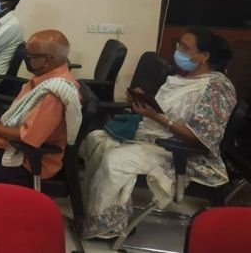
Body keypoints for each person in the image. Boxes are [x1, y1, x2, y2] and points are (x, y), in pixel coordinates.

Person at [80, 27, 236, 240]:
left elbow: (201, 139)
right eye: (179, 44)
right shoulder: (182, 78)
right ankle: (95, 213)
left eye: (185, 48)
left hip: (179, 150)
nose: (178, 50)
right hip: (153, 136)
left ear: (204, 56)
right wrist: (144, 103)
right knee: (95, 139)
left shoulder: (217, 88)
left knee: (115, 160)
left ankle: (108, 227)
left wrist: (155, 116)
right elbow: (166, 110)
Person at [0, 30, 81, 187]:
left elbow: (27, 137)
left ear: (47, 59)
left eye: (30, 56)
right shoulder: (43, 80)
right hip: (14, 145)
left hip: (28, 161)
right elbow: (13, 119)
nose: (27, 60)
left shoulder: (54, 94)